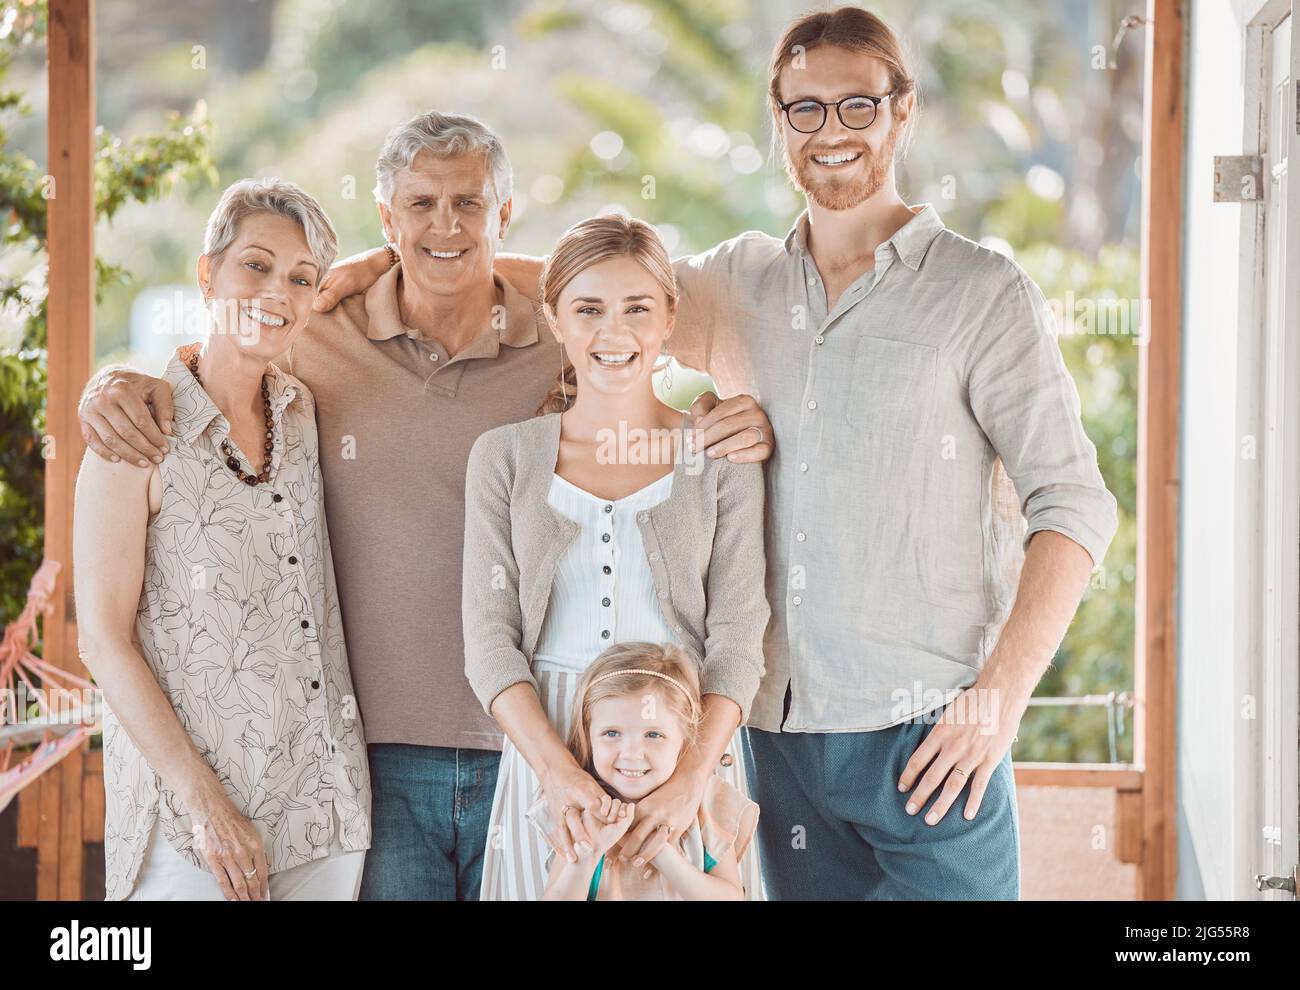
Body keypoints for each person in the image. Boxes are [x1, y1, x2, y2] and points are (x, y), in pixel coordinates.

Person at [324, 7, 1120, 900]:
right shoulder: (738, 281)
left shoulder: (981, 292)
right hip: (775, 746)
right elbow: (600, 287)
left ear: (904, 111)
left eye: (857, 106)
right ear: (777, 121)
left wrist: (998, 700)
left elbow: (1075, 506)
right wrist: (372, 270)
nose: (831, 133)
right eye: (804, 109)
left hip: (928, 738)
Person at [74, 112, 774, 901]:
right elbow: (231, 344)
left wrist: (721, 403)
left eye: (469, 204)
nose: (446, 225)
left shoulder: (563, 325)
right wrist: (121, 382)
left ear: (502, 216)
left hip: (544, 749)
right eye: (419, 206)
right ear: (387, 219)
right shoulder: (315, 334)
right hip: (374, 754)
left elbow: (625, 294)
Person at [73, 177, 371, 900]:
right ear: (207, 274)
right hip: (193, 828)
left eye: (303, 278)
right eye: (257, 265)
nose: (277, 291)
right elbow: (102, 642)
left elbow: (423, 259)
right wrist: (204, 804)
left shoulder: (304, 414)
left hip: (325, 811)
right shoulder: (135, 431)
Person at [462, 214, 769, 900]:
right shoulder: (505, 457)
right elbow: (488, 644)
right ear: (556, 320)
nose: (614, 331)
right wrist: (558, 772)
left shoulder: (718, 455)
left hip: (680, 750)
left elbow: (740, 638)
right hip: (548, 750)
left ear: (668, 317)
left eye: (637, 308)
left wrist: (691, 781)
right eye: (589, 309)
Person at [531, 642, 758, 901]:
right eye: (612, 733)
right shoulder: (581, 813)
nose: (631, 753)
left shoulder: (705, 805)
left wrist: (663, 855)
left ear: (685, 739)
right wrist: (585, 858)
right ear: (588, 735)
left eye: (653, 734)